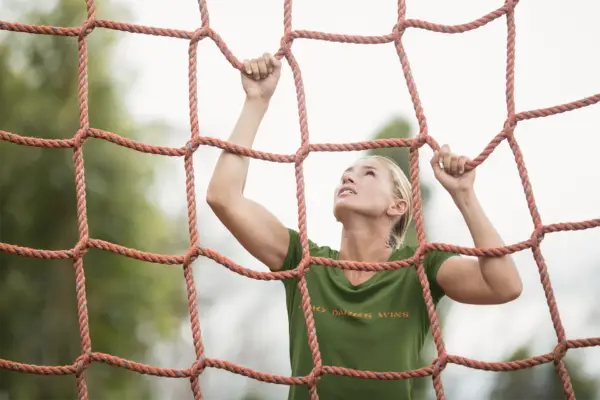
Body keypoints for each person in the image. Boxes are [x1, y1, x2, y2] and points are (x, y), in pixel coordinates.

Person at [206, 53, 523, 400]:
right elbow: (223, 197)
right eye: (348, 172)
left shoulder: (419, 268)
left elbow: (504, 285)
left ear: (397, 206)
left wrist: (464, 195)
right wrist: (256, 101)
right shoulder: (305, 262)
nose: (349, 175)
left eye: (368, 173)